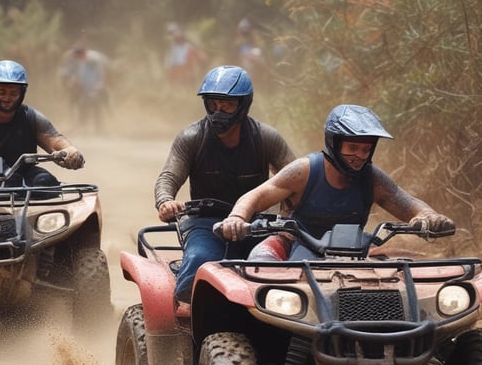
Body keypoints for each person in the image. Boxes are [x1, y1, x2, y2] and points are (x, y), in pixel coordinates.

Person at [218, 104, 455, 260]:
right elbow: (257, 195)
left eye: (365, 149)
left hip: (354, 251)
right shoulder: (305, 171)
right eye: (352, 147)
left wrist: (429, 216)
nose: (359, 156)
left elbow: (405, 202)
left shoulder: (371, 177)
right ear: (334, 143)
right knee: (259, 265)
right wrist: (237, 218)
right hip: (299, 247)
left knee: (404, 277)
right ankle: (258, 336)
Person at [155, 65, 296, 304]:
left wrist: (289, 218)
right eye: (213, 104)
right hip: (205, 224)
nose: (218, 111)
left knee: (280, 267)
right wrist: (165, 201)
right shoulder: (192, 138)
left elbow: (295, 179)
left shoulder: (265, 138)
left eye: (227, 105)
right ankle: (192, 317)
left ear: (243, 105)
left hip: (258, 224)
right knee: (200, 260)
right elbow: (168, 176)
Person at [58, 43, 111, 133]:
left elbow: (102, 73)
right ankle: (84, 126)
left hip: (97, 87)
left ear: (83, 53)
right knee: (83, 105)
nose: (78, 57)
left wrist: (99, 86)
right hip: (87, 88)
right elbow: (78, 74)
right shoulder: (80, 60)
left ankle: (101, 128)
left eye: (79, 55)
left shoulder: (95, 59)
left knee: (99, 106)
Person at [163, 22, 208, 87]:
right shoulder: (172, 48)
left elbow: (201, 57)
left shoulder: (188, 47)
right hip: (176, 72)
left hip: (186, 72)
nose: (178, 39)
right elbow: (169, 62)